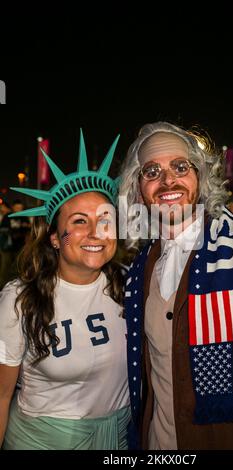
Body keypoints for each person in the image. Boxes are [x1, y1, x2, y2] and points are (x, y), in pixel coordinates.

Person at [119, 121, 233, 450]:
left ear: (200, 177)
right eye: (151, 171)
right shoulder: (139, 268)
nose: (168, 180)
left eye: (180, 166)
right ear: (137, 191)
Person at [0, 130, 130, 450]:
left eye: (105, 219)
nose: (95, 232)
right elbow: (1, 395)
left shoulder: (134, 285)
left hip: (120, 440)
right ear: (56, 238)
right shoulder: (19, 299)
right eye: (79, 221)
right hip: (40, 441)